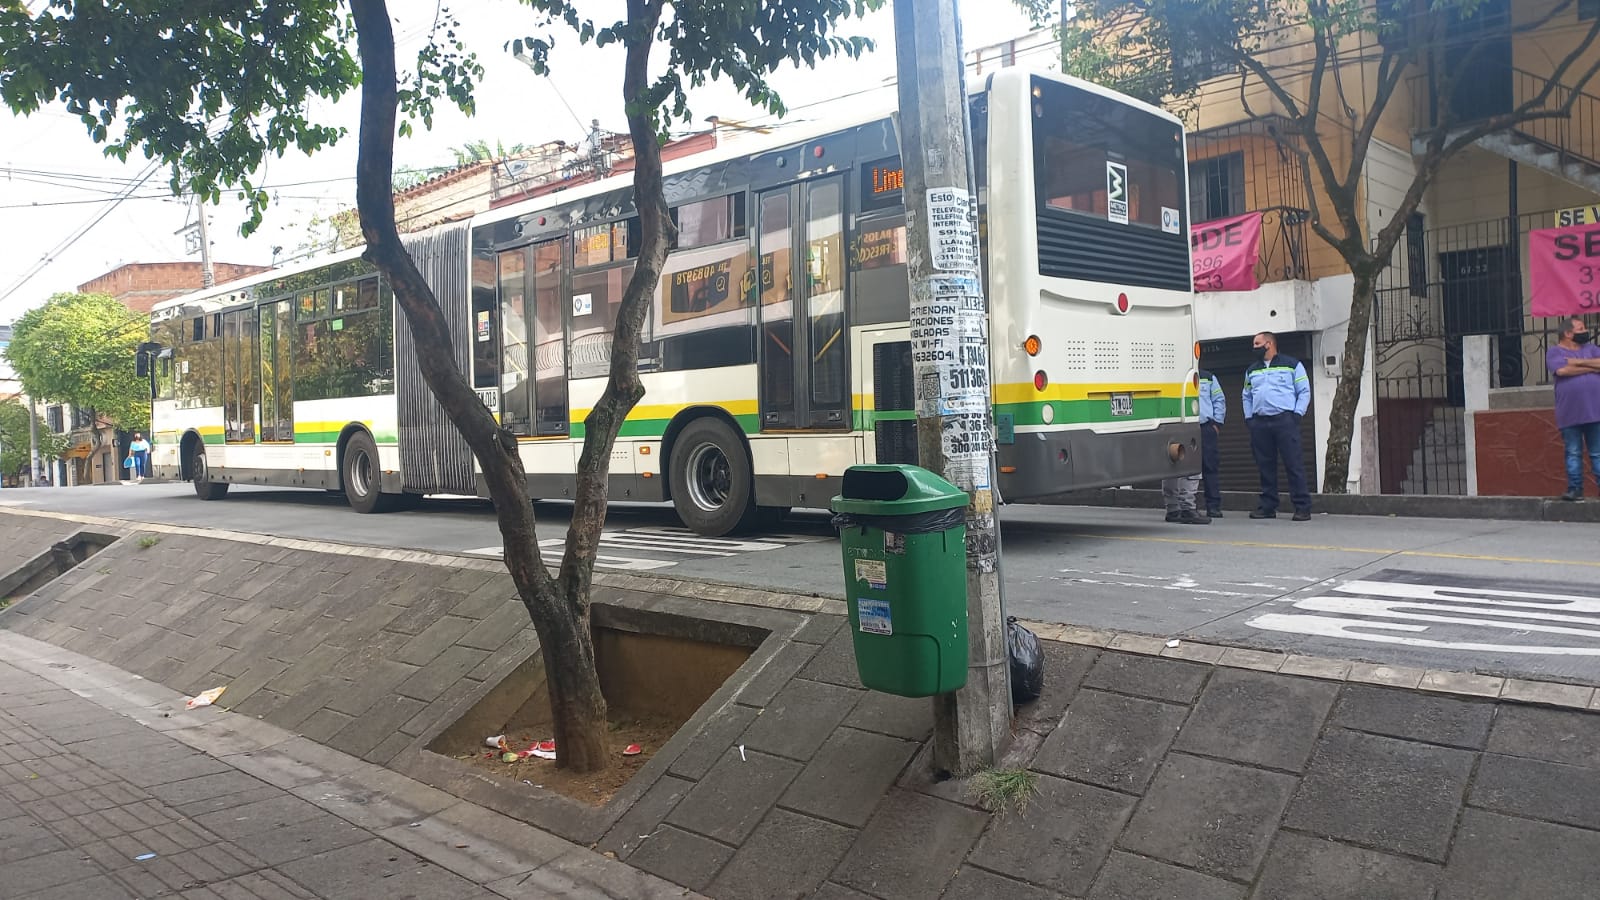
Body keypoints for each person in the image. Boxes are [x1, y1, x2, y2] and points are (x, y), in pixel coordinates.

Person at [1242, 331, 1311, 521]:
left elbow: (1304, 391)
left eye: (1257, 343)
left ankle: (1302, 507)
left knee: (1293, 464)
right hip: (1260, 423)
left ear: (1269, 344)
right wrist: (1249, 418)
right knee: (1265, 466)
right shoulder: (1251, 370)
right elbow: (1246, 395)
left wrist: (1297, 414)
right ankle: (1268, 507)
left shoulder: (1292, 365)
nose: (1254, 347)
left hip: (1285, 421)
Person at [1545, 316, 1600, 501]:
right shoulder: (1554, 352)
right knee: (1573, 452)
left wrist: (1576, 362)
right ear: (1568, 333)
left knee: (1597, 453)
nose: (1585, 331)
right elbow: (1561, 371)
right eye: (1581, 328)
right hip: (1569, 413)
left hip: (1595, 411)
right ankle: (1575, 489)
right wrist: (1591, 367)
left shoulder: (1591, 349)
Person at [1198, 366, 1226, 517]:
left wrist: (1217, 423)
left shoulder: (1208, 377)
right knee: (1182, 471)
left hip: (1205, 428)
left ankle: (1213, 506)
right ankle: (1185, 506)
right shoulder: (1176, 377)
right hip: (1183, 428)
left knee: (1210, 467)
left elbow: (1219, 399)